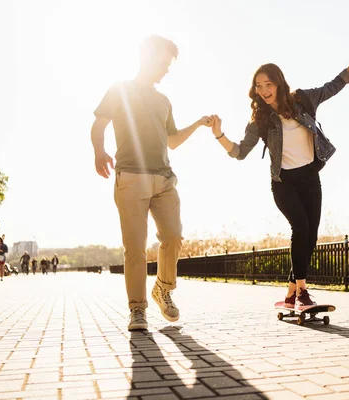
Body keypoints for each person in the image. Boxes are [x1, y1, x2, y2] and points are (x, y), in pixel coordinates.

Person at [208, 34, 349, 309]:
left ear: (279, 84)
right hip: (283, 183)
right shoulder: (260, 120)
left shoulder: (303, 101)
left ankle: (289, 294)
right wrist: (218, 134)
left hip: (309, 177)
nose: (263, 90)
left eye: (268, 84)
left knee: (311, 237)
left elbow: (336, 84)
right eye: (258, 86)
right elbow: (239, 152)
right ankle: (302, 295)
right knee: (301, 228)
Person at [91, 35, 213, 331]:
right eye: (163, 63)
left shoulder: (163, 101)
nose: (166, 70)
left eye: (170, 65)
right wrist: (99, 151)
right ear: (146, 57)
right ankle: (137, 309)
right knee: (135, 248)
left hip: (164, 178)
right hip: (131, 176)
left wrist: (197, 124)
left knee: (173, 236)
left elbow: (171, 141)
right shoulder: (119, 90)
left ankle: (163, 288)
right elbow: (98, 124)